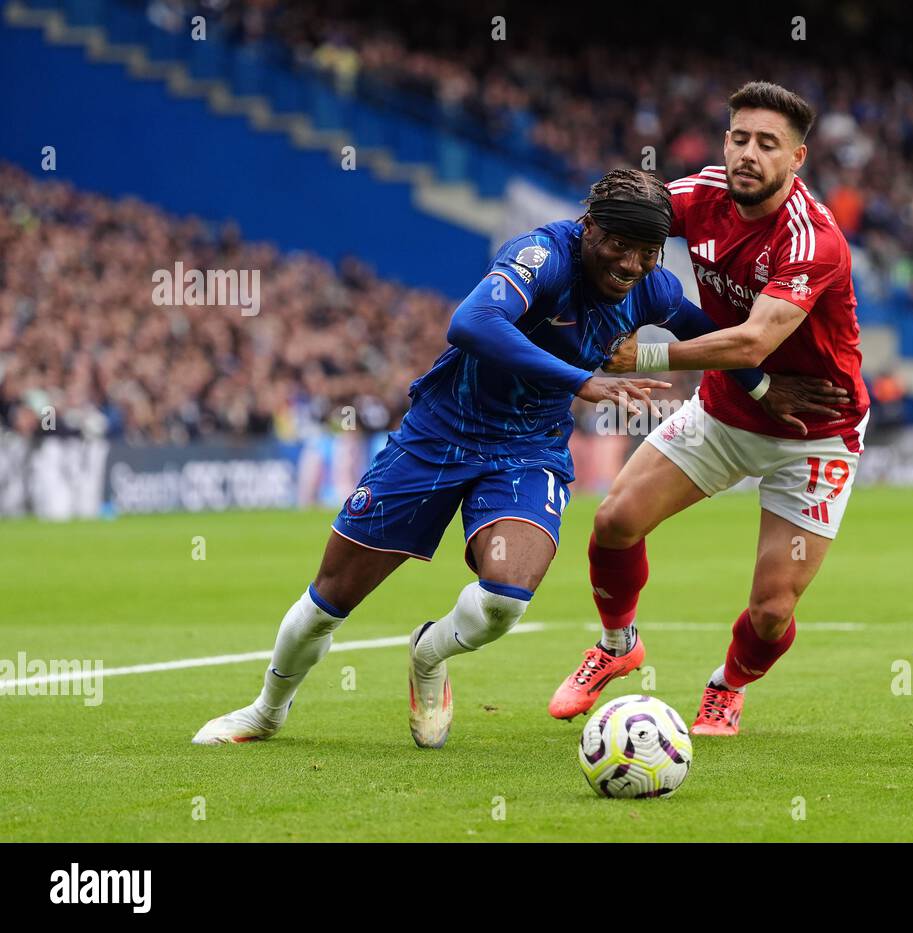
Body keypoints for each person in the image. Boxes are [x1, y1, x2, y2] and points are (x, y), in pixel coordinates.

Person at [192, 168, 845, 747]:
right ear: (589, 227)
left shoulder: (651, 287)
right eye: (620, 241)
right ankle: (267, 710)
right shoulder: (542, 254)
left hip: (526, 449)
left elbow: (707, 335)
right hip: (439, 432)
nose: (632, 261)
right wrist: (579, 379)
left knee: (506, 596)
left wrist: (761, 384)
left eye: (648, 249)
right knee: (330, 598)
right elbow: (471, 323)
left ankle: (428, 654)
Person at [548, 82, 870, 736]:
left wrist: (644, 356)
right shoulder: (700, 196)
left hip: (817, 436)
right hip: (725, 413)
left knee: (773, 609)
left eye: (767, 144)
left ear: (797, 158)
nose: (749, 153)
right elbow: (617, 226)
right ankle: (616, 647)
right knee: (614, 520)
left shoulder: (814, 239)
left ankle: (727, 684)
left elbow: (754, 339)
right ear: (725, 141)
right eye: (739, 138)